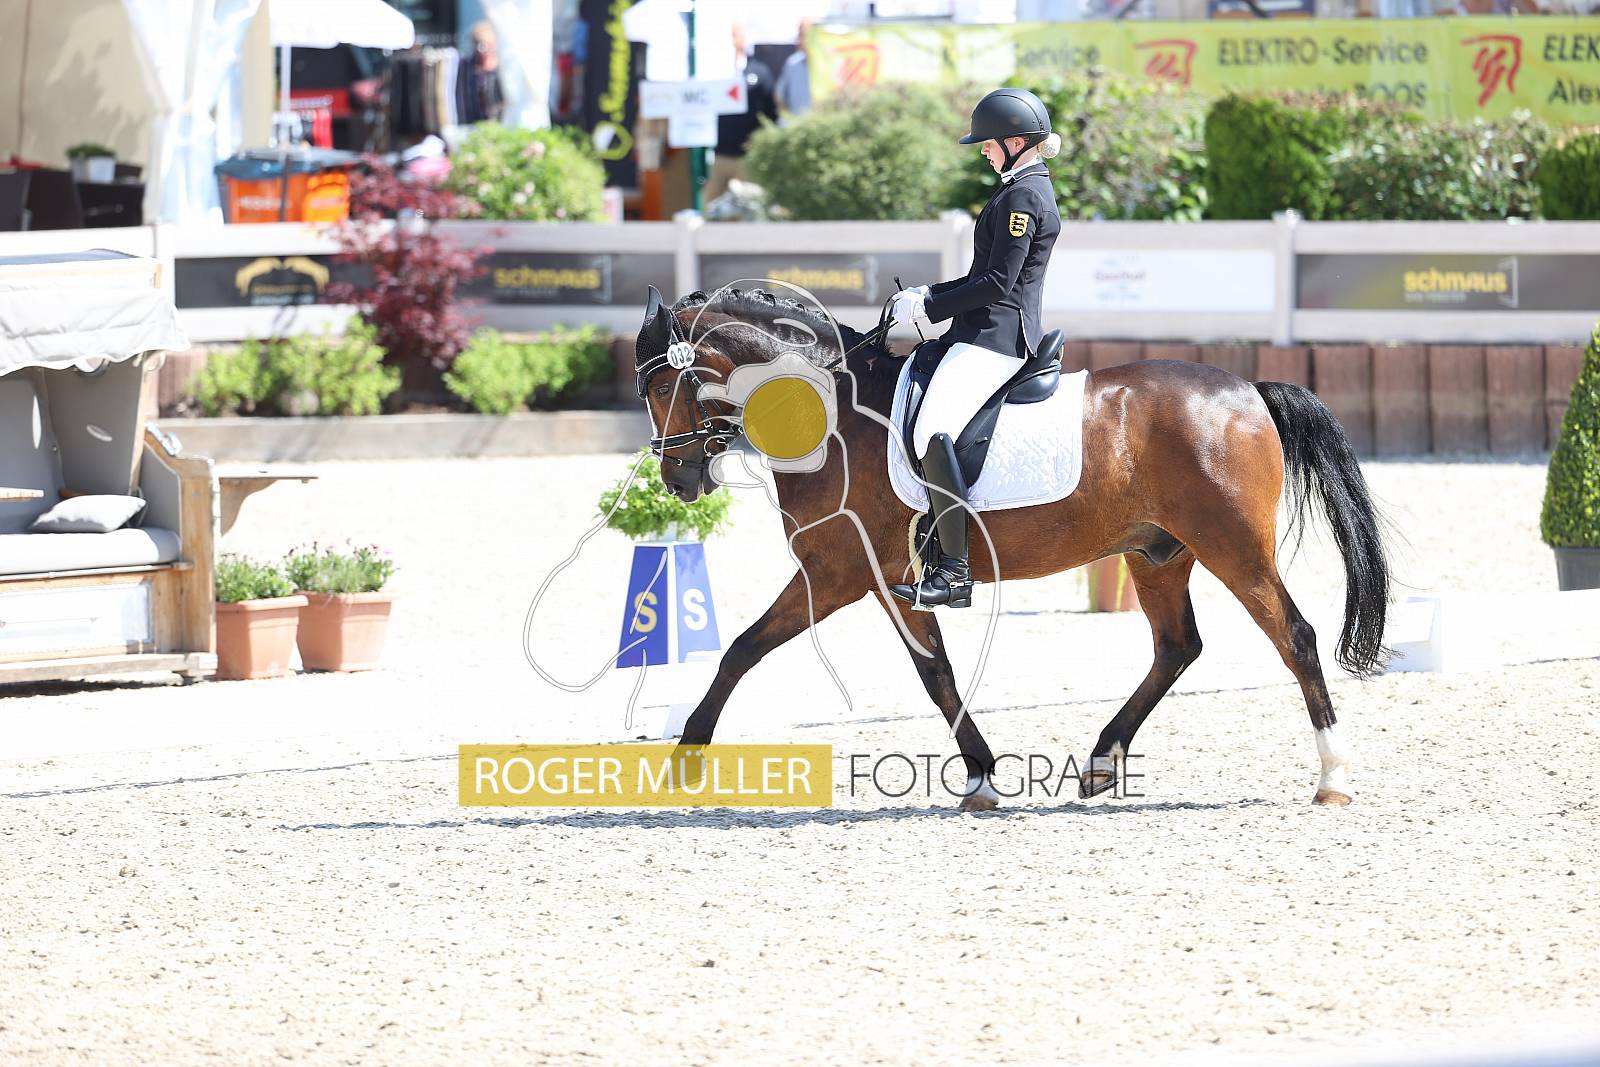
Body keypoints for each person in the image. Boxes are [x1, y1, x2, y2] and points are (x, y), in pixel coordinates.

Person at [887, 87, 1063, 611]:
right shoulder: (1017, 189)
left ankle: (954, 572)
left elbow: (997, 283)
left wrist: (930, 305)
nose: (983, 150)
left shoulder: (1024, 197)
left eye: (988, 142)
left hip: (997, 337)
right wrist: (929, 294)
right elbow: (980, 276)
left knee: (931, 429)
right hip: (981, 330)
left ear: (1015, 142)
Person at [704, 22, 779, 205]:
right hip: (720, 154)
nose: (730, 40)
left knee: (749, 206)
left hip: (747, 155)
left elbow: (771, 112)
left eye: (734, 35)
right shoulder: (713, 71)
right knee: (711, 206)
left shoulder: (759, 72)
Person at [774, 19, 813, 122]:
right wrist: (790, 119)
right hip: (796, 126)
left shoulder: (828, 63)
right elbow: (779, 96)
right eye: (799, 35)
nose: (798, 40)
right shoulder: (792, 63)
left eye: (802, 35)